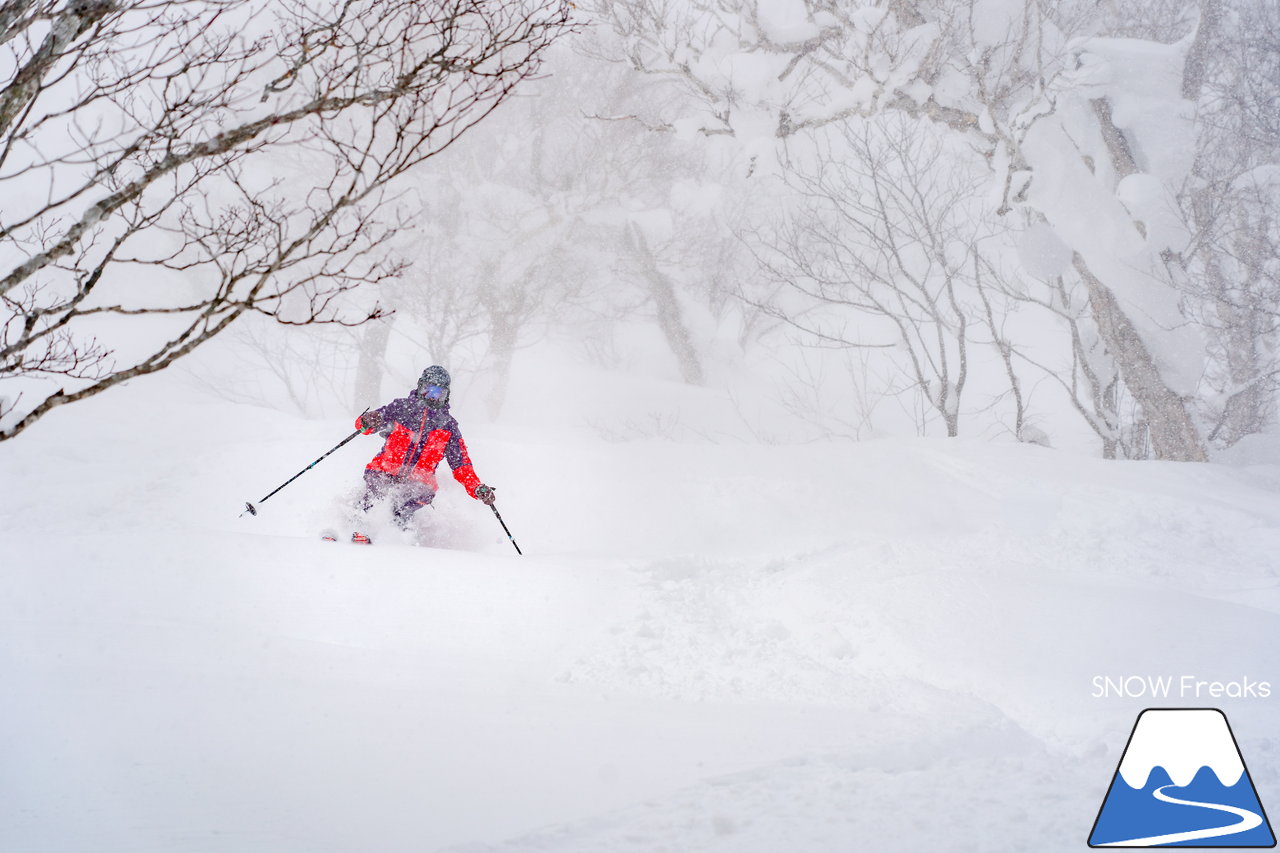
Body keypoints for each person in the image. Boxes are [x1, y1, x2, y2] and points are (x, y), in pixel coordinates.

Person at [351, 365, 495, 539]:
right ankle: (352, 528)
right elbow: (365, 428)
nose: (432, 397)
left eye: (438, 393)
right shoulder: (400, 408)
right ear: (420, 386)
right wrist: (367, 420)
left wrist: (476, 487)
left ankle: (399, 538)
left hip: (419, 482)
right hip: (384, 470)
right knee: (374, 493)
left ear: (446, 395)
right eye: (428, 390)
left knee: (405, 504)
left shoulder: (448, 426)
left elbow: (461, 465)